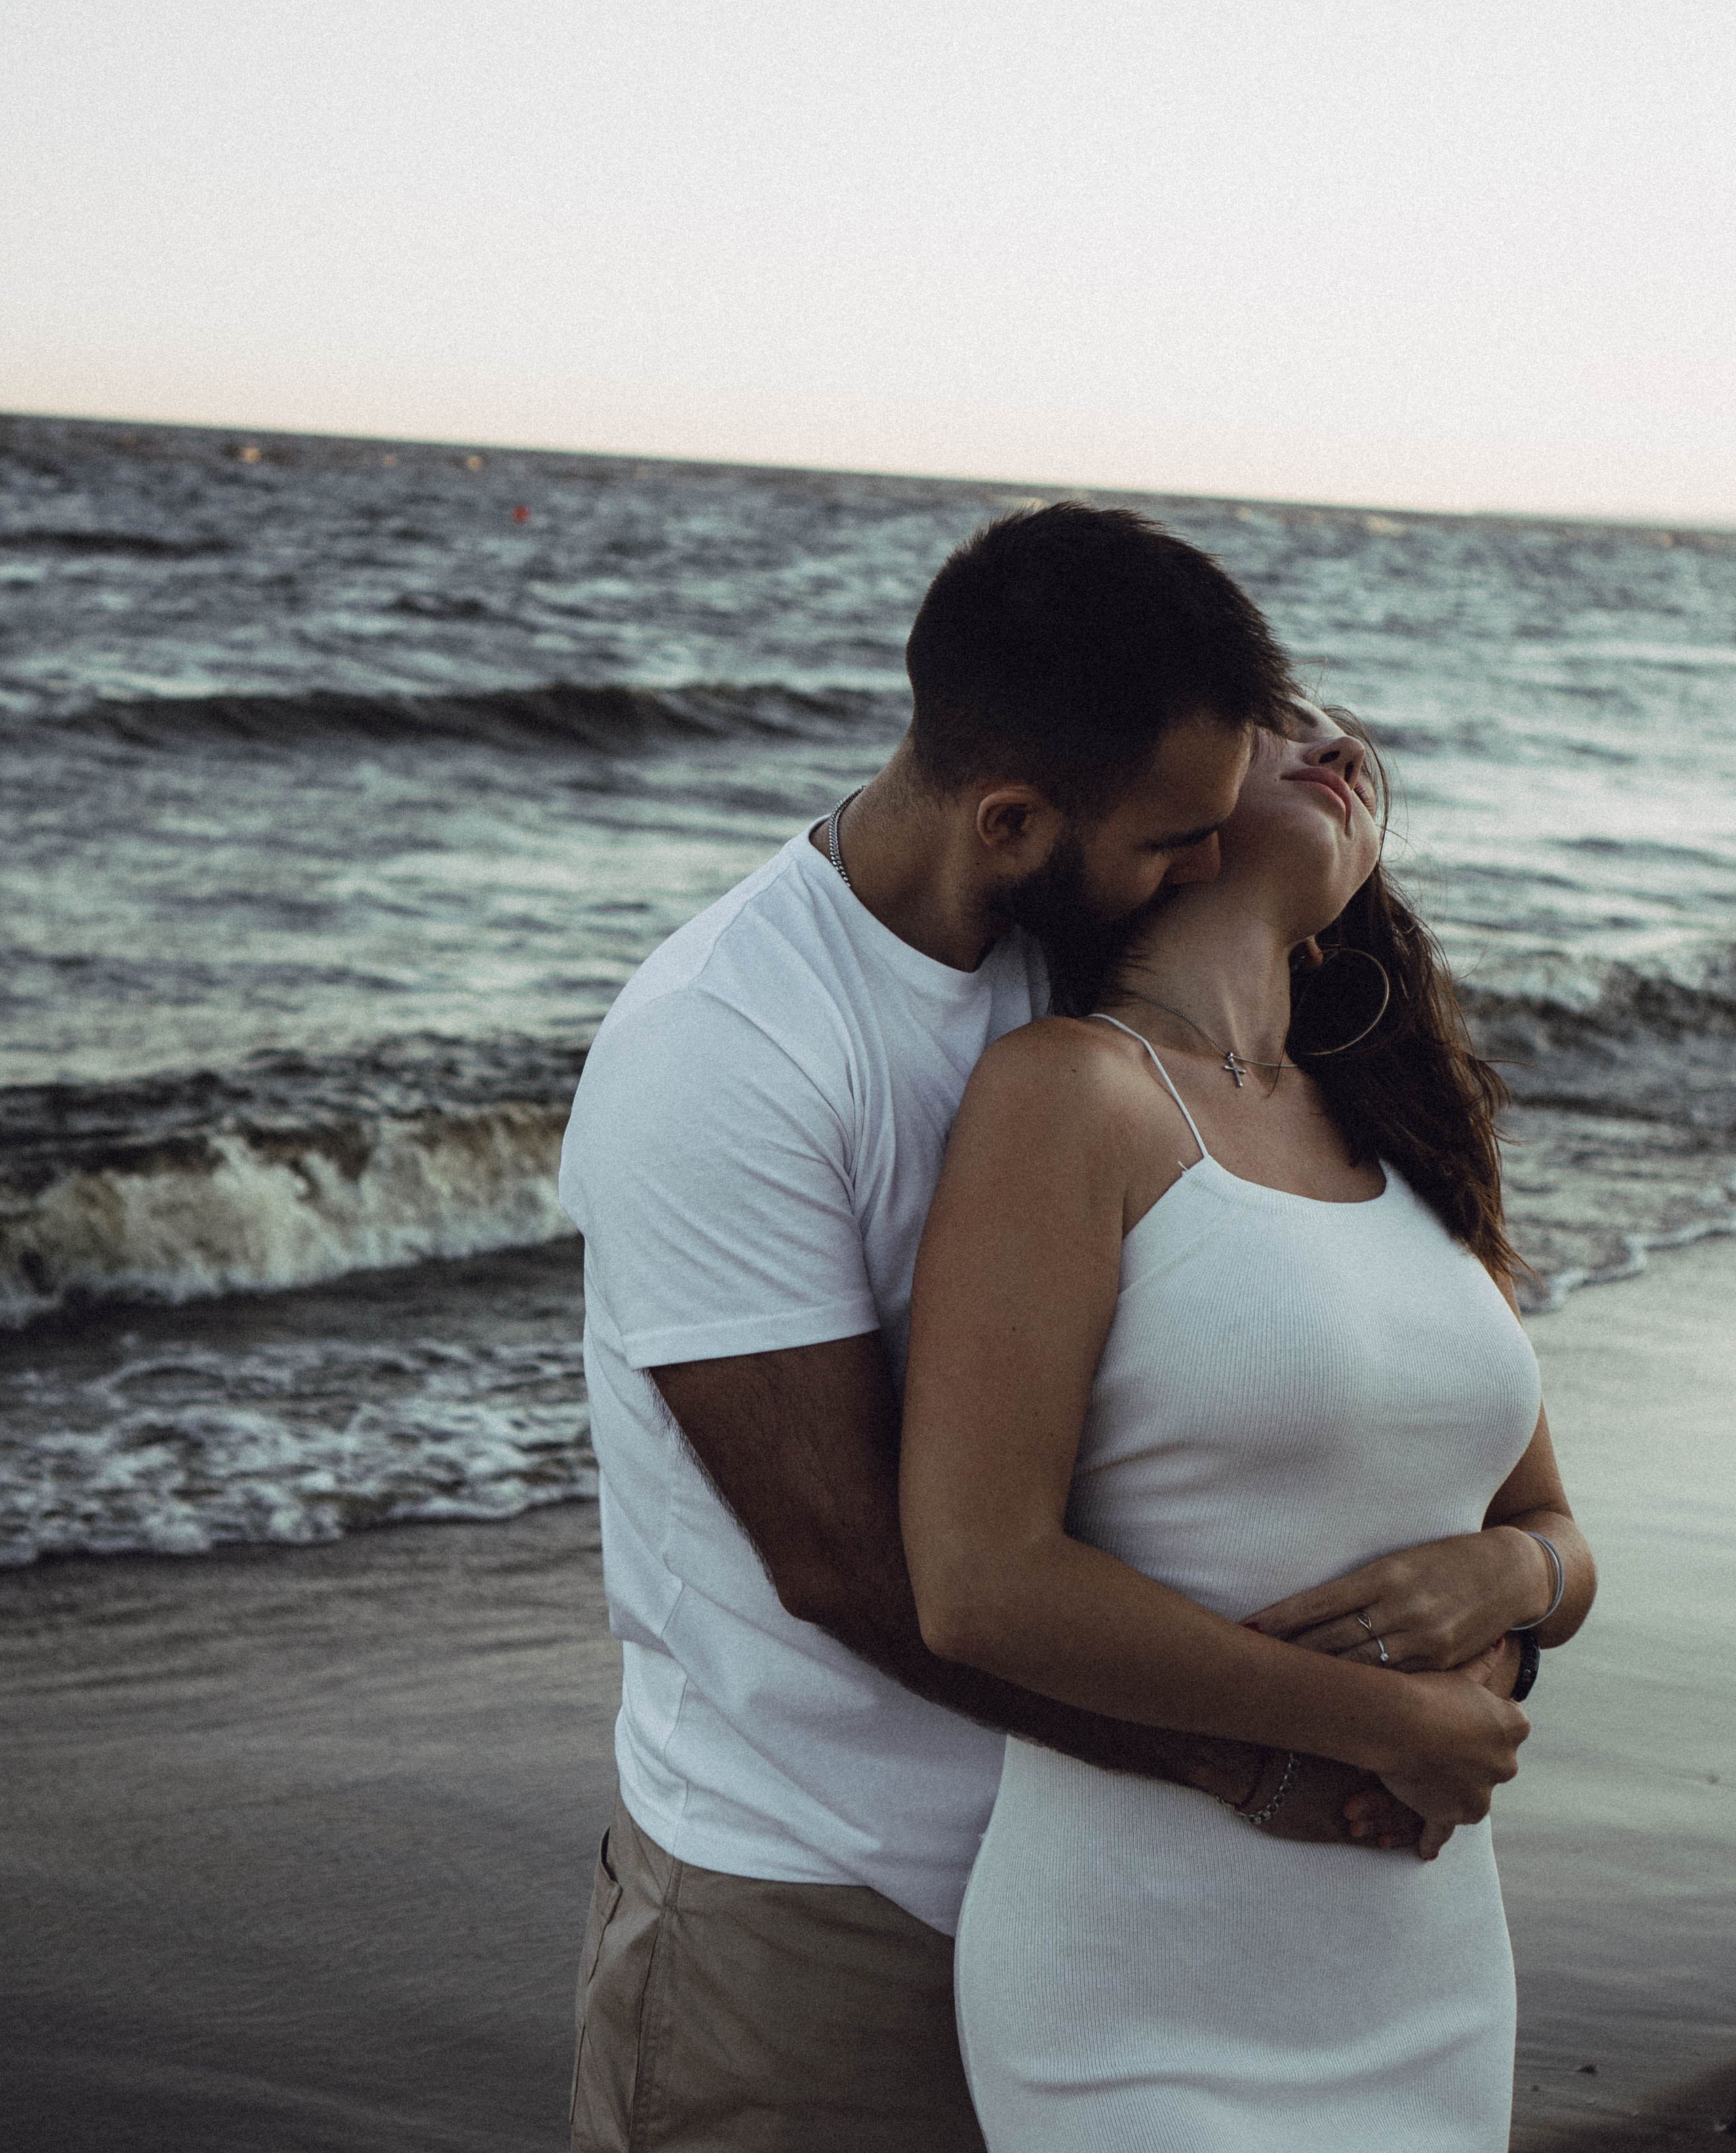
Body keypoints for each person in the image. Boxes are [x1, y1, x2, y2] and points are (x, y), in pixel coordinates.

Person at [557, 507, 1422, 2152]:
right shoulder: (724, 1049)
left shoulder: (1066, 957)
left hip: (1085, 1875)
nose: (1201, 869)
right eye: (1177, 839)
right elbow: (845, 1564)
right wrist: (1253, 1759)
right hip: (812, 1910)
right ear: (1011, 816)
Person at [899, 703, 1597, 2153]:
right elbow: (979, 1581)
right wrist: (1392, 1719)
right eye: (1269, 726)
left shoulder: (1405, 1139)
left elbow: (1546, 1527)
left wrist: (1513, 1586)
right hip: (1141, 1970)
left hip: (1423, 1962)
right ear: (1170, 815)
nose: (1327, 738)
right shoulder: (1067, 1097)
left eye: (1330, 721)